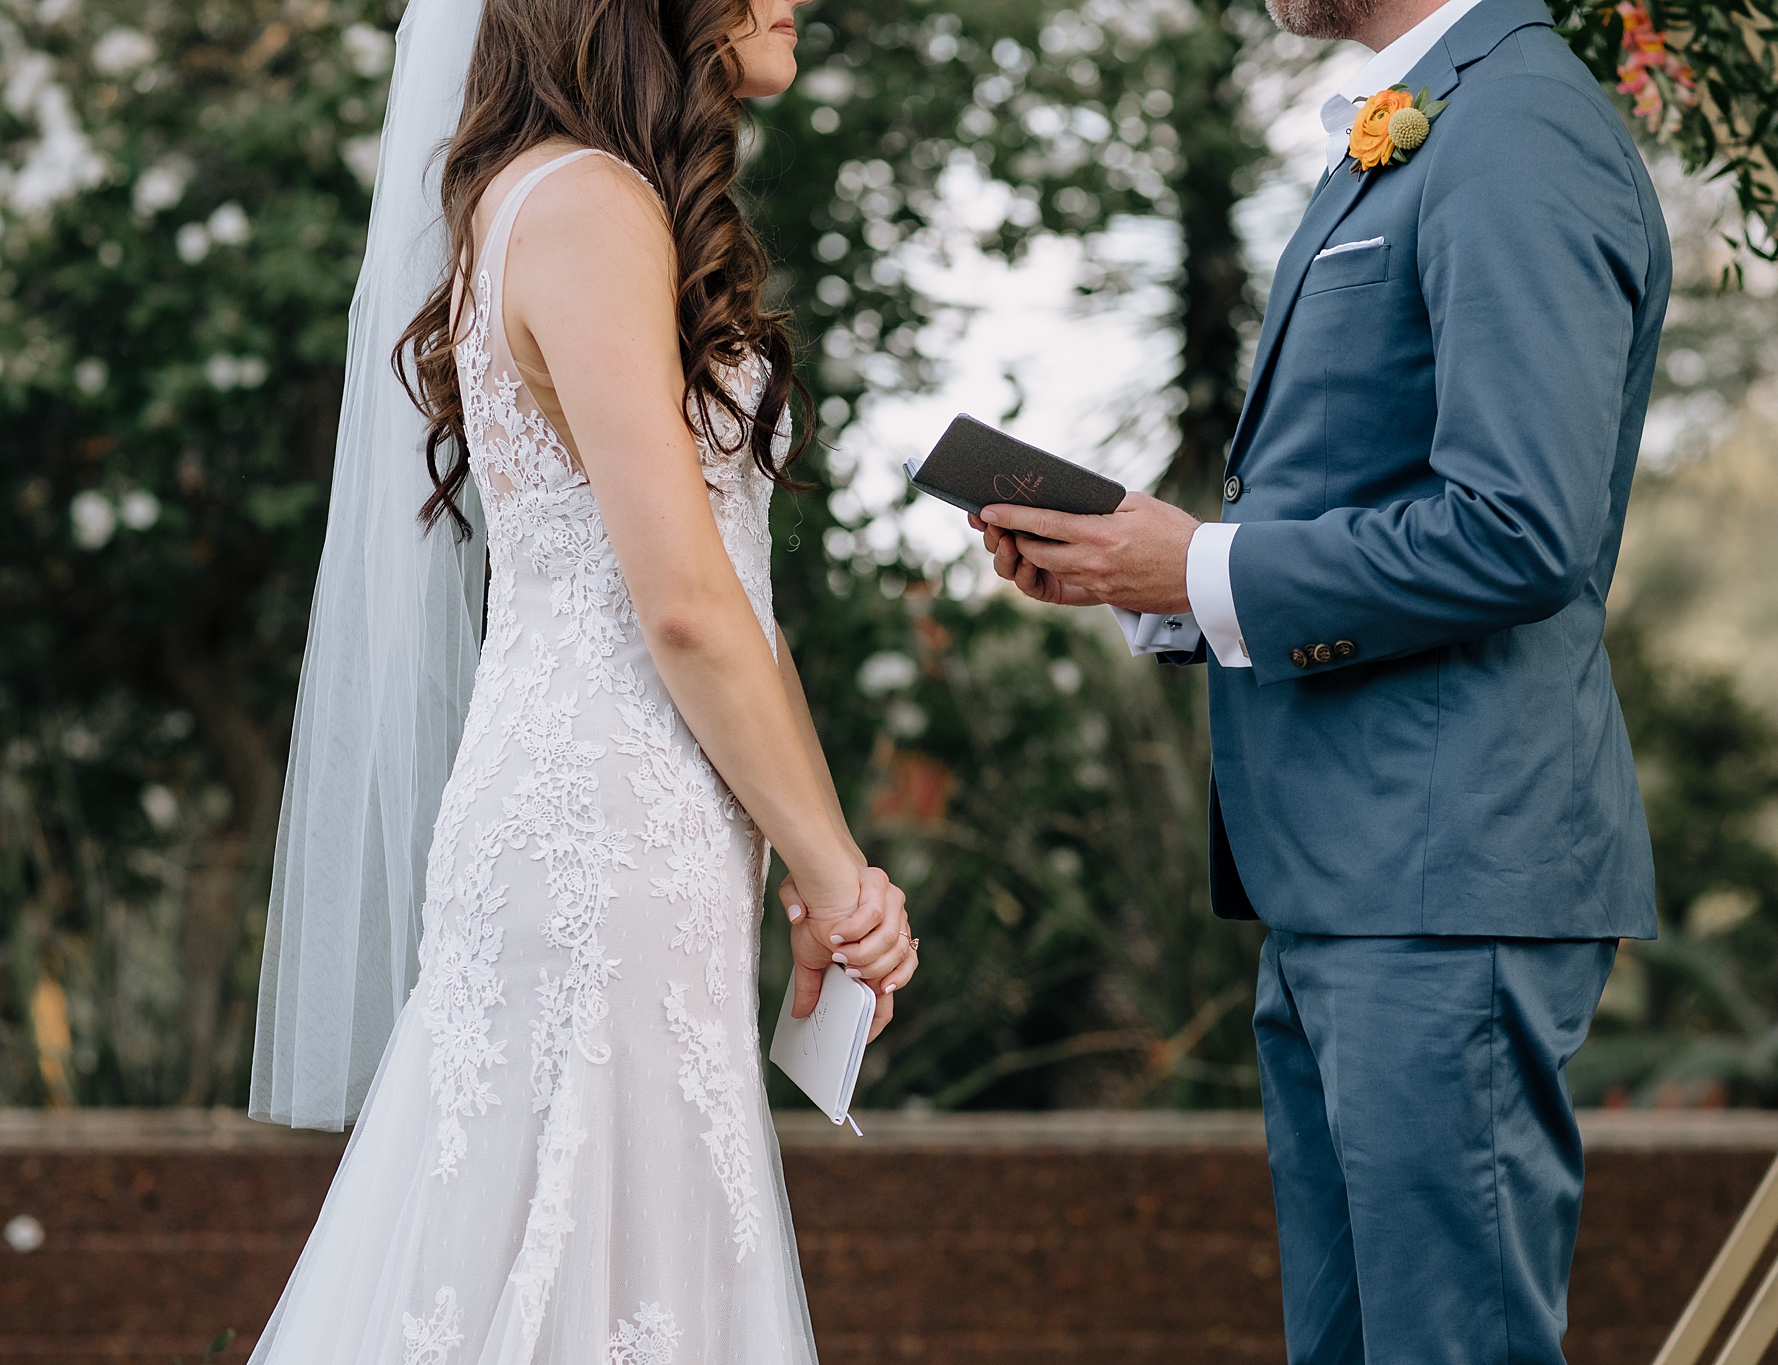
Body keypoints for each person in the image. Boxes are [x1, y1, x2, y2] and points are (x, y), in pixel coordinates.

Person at [973, 0, 1670, 1360]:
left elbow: (1520, 528)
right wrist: (1153, 576)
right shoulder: (1417, 126)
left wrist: (1206, 567)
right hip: (1345, 884)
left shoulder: (1519, 125)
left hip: (1442, 875)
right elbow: (1359, 496)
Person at [247, 0, 913, 1360]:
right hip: (603, 830)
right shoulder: (594, 206)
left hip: (627, 817)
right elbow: (682, 609)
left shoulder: (556, 201)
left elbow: (735, 603)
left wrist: (807, 855)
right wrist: (845, 884)